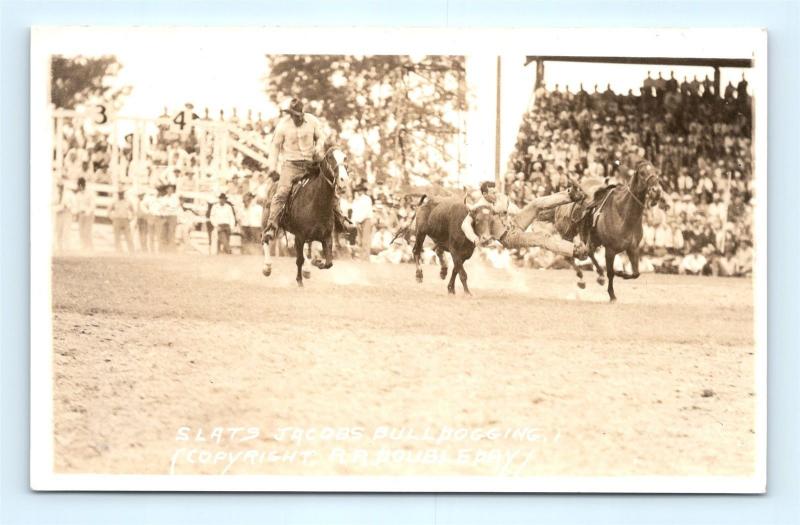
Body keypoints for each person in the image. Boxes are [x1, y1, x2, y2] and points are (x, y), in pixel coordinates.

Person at [262, 98, 352, 243]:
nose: (295, 117)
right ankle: (272, 226)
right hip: (291, 165)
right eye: (292, 114)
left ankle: (341, 220)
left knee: (328, 187)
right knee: (282, 192)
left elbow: (321, 136)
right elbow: (275, 147)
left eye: (297, 115)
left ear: (302, 113)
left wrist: (318, 146)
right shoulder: (282, 126)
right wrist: (272, 167)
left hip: (311, 163)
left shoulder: (312, 121)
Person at [351, 185, 374, 260]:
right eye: (358, 190)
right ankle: (361, 257)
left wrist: (359, 220)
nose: (359, 192)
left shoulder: (367, 199)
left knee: (365, 240)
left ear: (364, 191)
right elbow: (354, 212)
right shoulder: (356, 200)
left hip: (366, 220)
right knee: (359, 240)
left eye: (360, 190)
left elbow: (366, 212)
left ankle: (365, 258)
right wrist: (355, 222)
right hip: (359, 221)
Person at [53, 180, 76, 252]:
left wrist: (68, 206)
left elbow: (74, 204)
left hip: (67, 213)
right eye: (59, 186)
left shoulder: (69, 194)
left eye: (61, 186)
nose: (60, 187)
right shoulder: (55, 194)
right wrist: (59, 208)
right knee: (58, 231)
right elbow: (51, 205)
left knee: (66, 231)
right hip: (58, 214)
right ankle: (59, 248)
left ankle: (66, 248)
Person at [74, 177, 95, 250]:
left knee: (87, 231)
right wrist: (78, 213)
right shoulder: (78, 195)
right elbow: (77, 205)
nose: (79, 187)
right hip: (81, 214)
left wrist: (87, 212)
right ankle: (83, 247)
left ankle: (90, 247)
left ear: (82, 185)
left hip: (89, 214)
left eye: (79, 185)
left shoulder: (90, 193)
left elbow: (92, 205)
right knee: (81, 231)